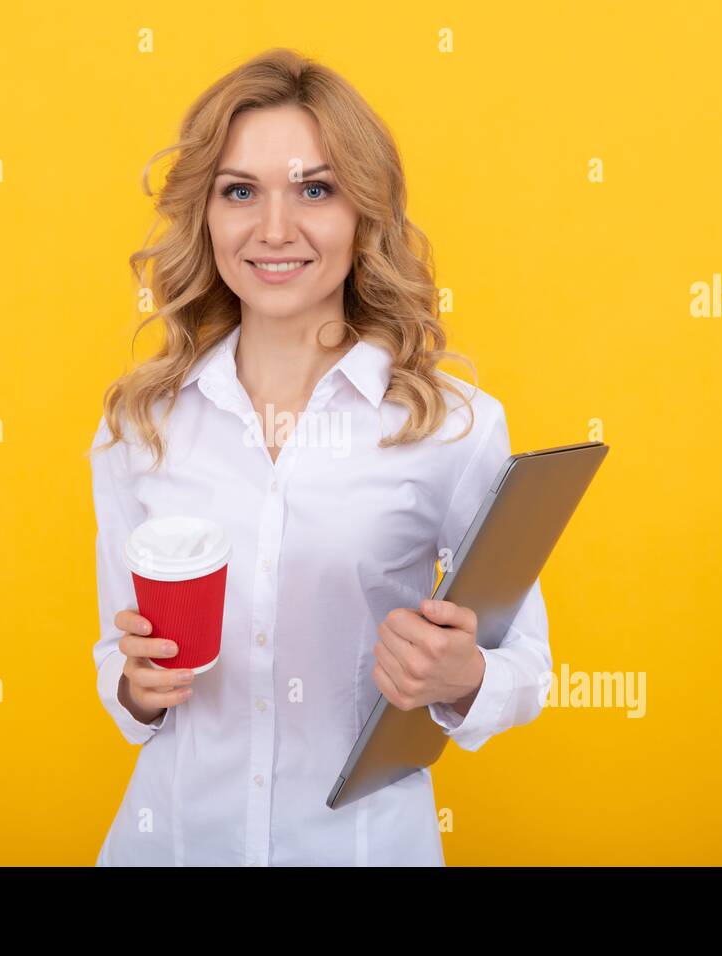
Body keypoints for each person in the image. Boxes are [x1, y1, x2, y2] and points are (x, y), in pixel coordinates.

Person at [88, 48, 551, 866]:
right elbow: (117, 674)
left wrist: (462, 678)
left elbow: (526, 672)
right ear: (206, 214)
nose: (274, 230)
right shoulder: (142, 426)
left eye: (315, 189)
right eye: (240, 192)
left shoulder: (452, 426)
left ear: (363, 213)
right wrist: (137, 688)